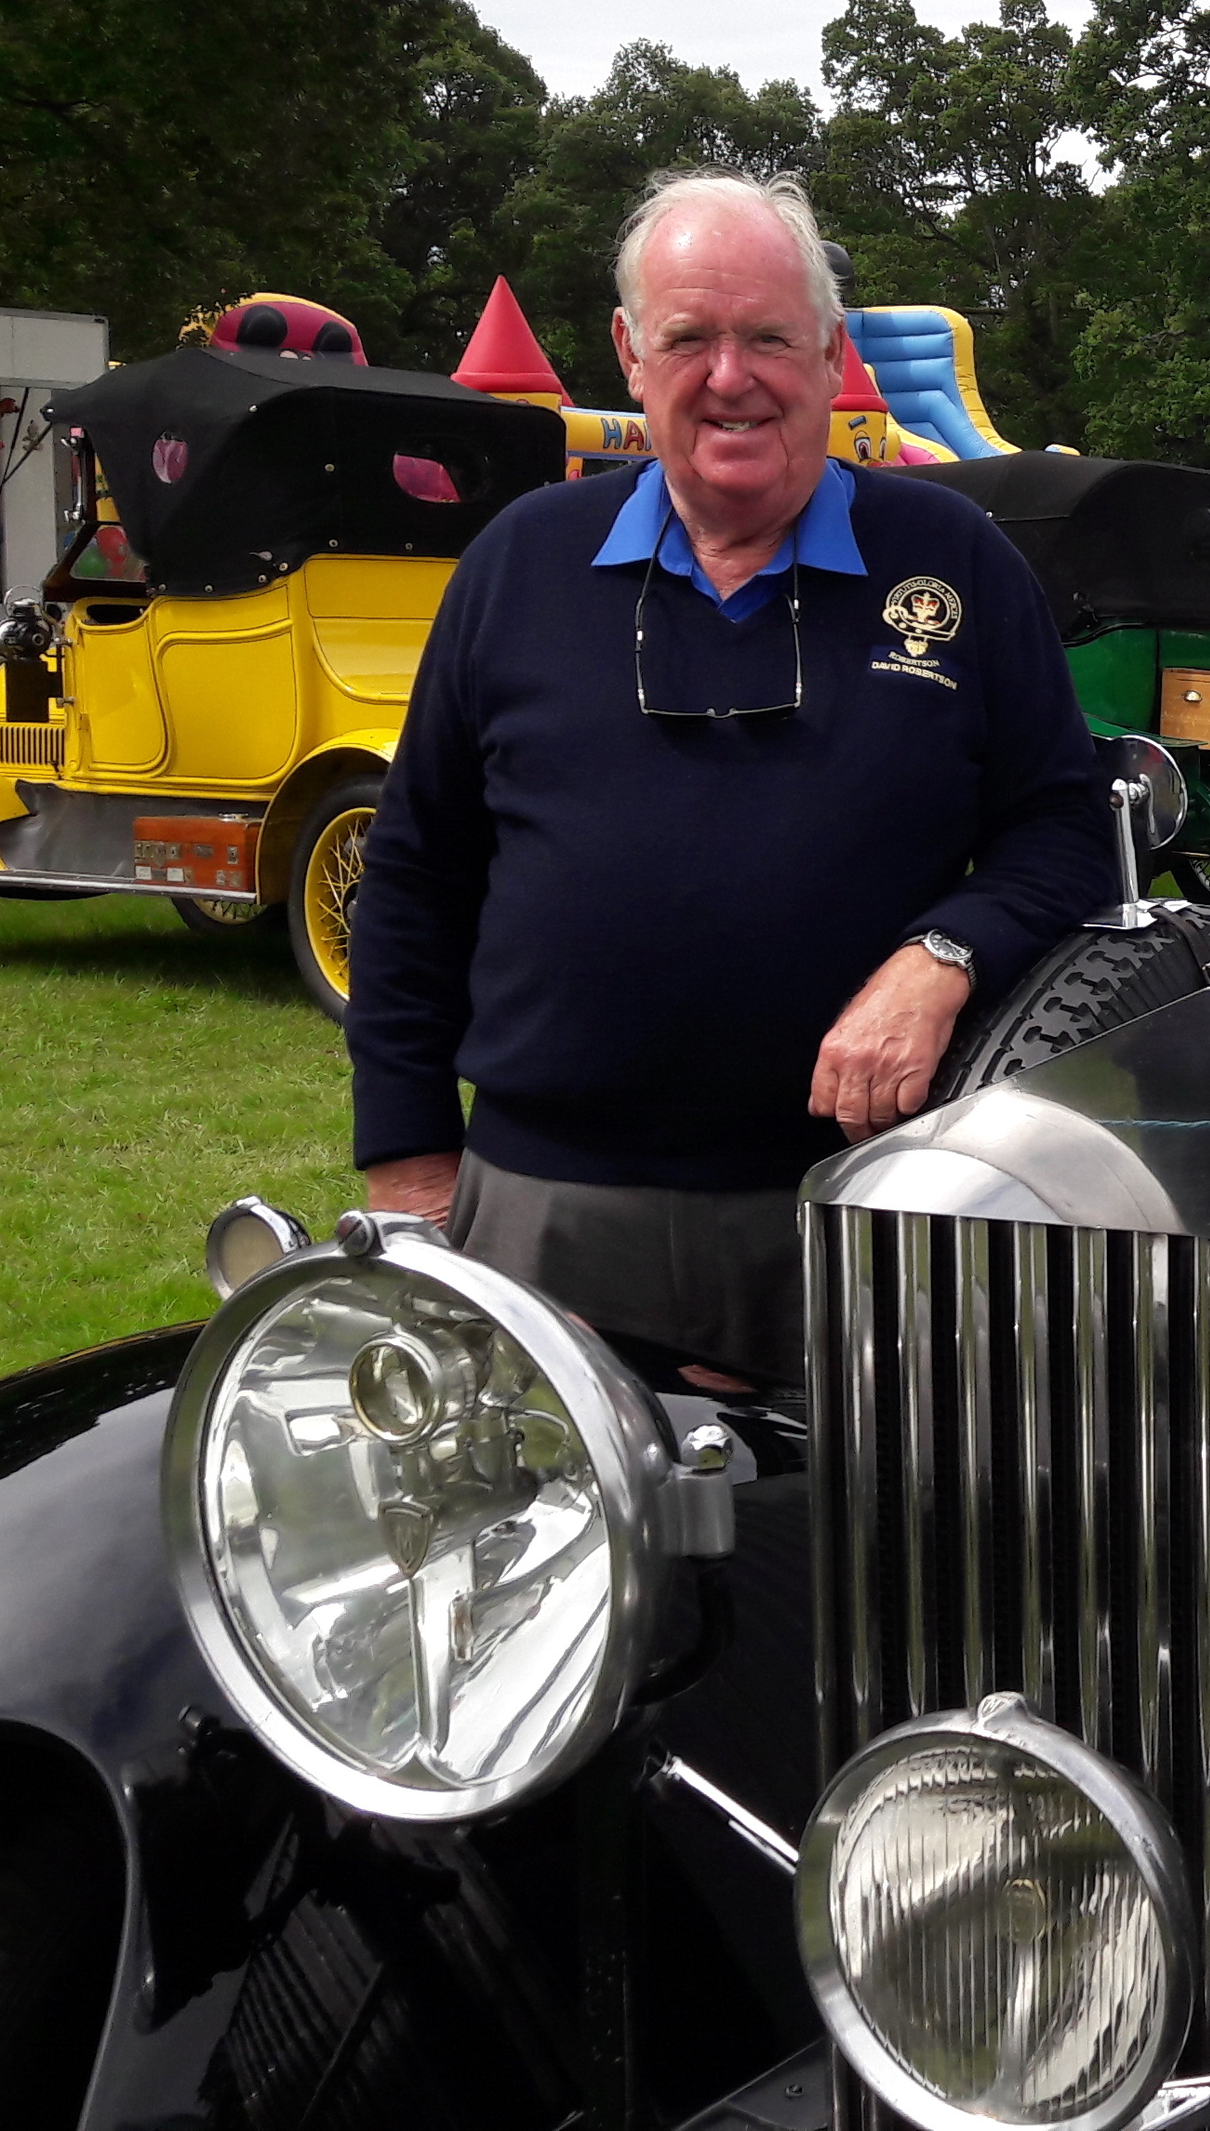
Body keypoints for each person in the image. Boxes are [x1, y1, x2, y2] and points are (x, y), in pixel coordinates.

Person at [344, 170, 1116, 1386]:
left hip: (868, 1209)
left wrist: (942, 956)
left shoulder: (953, 561)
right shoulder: (518, 566)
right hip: (545, 1213)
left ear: (828, 349)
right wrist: (408, 1167)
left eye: (766, 337)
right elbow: (414, 876)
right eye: (689, 338)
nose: (729, 377)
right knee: (531, 1562)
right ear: (629, 354)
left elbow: (1062, 830)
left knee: (856, 1561)